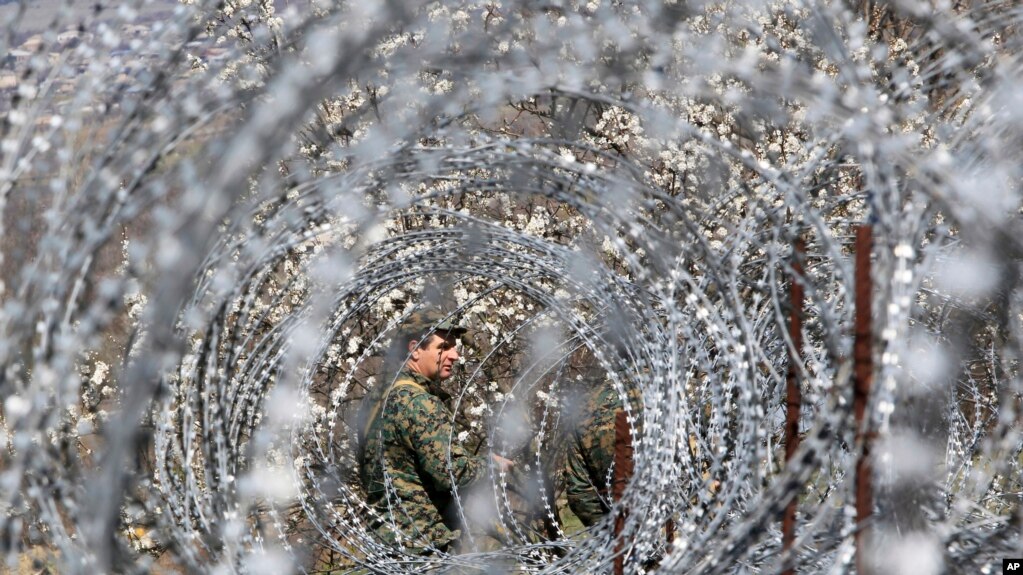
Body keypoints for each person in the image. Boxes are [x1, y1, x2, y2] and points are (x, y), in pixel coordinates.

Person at [357, 310, 513, 554]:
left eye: (454, 346)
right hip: (421, 544)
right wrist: (490, 465)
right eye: (444, 347)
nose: (455, 355)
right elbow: (451, 473)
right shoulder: (418, 402)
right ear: (415, 349)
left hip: (384, 540)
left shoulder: (375, 399)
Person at [564, 378, 642, 528]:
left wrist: (610, 537)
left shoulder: (584, 409)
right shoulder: (667, 391)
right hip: (673, 527)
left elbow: (579, 493)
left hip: (619, 529)